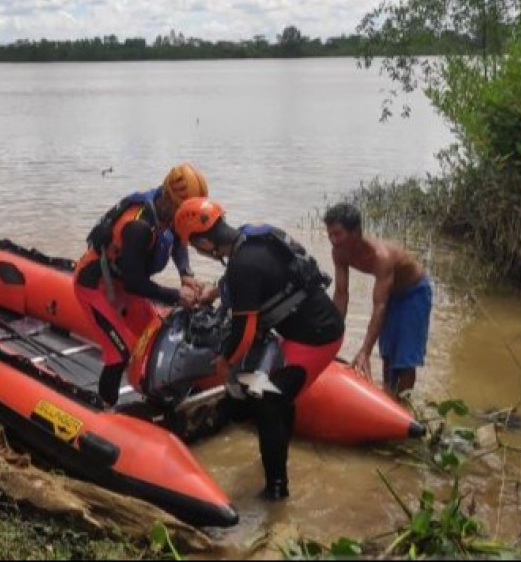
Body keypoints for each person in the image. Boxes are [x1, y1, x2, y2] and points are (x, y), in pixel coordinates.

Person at [175, 197, 344, 500]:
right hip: (309, 327)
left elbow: (244, 331)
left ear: (203, 242)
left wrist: (224, 361)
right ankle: (280, 438)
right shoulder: (251, 239)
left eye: (195, 245)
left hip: (316, 340)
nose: (198, 251)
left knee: (268, 403)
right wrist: (213, 293)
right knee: (277, 398)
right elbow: (249, 280)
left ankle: (277, 491)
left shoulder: (243, 266)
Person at [74, 163, 208, 406]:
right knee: (119, 353)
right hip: (95, 286)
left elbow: (178, 242)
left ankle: (161, 395)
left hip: (123, 282)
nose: (183, 217)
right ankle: (104, 409)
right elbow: (136, 283)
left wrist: (185, 273)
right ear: (169, 197)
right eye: (182, 209)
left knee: (157, 334)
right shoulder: (138, 226)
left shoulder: (168, 211)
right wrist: (177, 296)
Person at [324, 202, 432, 398]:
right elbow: (341, 294)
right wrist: (330, 338)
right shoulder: (339, 252)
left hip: (414, 292)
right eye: (330, 234)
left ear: (356, 231)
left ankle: (404, 405)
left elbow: (379, 305)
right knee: (388, 353)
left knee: (405, 358)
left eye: (338, 234)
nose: (333, 240)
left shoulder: (382, 257)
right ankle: (388, 398)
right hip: (391, 293)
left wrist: (365, 350)